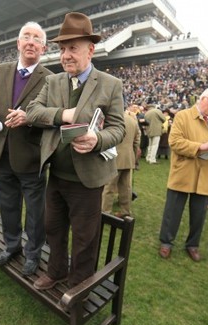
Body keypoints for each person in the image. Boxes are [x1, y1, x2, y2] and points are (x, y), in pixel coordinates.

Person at [26, 12, 125, 289]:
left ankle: (79, 284)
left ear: (90, 50)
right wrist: (63, 114)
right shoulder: (53, 81)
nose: (66, 55)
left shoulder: (110, 84)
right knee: (53, 229)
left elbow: (119, 128)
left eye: (73, 48)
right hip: (56, 175)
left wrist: (98, 139)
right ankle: (56, 271)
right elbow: (32, 112)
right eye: (62, 49)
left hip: (87, 180)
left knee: (85, 237)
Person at [0, 21, 53, 275]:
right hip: (1, 154)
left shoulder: (51, 79)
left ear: (43, 48)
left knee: (35, 212)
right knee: (8, 207)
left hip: (31, 158)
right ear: (18, 43)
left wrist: (29, 117)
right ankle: (12, 246)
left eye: (37, 39)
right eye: (26, 37)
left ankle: (33, 253)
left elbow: (52, 117)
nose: (31, 41)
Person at [158, 87, 208, 262]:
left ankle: (193, 245)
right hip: (184, 172)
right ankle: (166, 242)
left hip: (206, 174)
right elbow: (174, 142)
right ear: (202, 99)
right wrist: (201, 147)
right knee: (173, 211)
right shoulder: (183, 116)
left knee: (199, 215)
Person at [102, 106, 141, 217]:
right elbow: (136, 141)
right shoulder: (132, 120)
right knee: (126, 187)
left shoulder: (111, 118)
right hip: (128, 158)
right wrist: (133, 157)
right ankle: (126, 211)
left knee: (109, 187)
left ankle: (106, 212)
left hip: (113, 157)